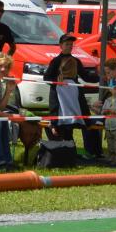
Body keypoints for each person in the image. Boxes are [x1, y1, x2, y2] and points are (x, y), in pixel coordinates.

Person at [43, 33, 85, 161]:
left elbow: (85, 75)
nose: (70, 46)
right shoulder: (56, 61)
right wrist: (57, 81)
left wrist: (100, 77)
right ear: (61, 46)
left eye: (71, 44)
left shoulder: (76, 61)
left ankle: (70, 153)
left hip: (72, 98)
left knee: (69, 127)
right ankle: (61, 153)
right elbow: (47, 77)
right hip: (59, 98)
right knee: (59, 127)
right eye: (67, 44)